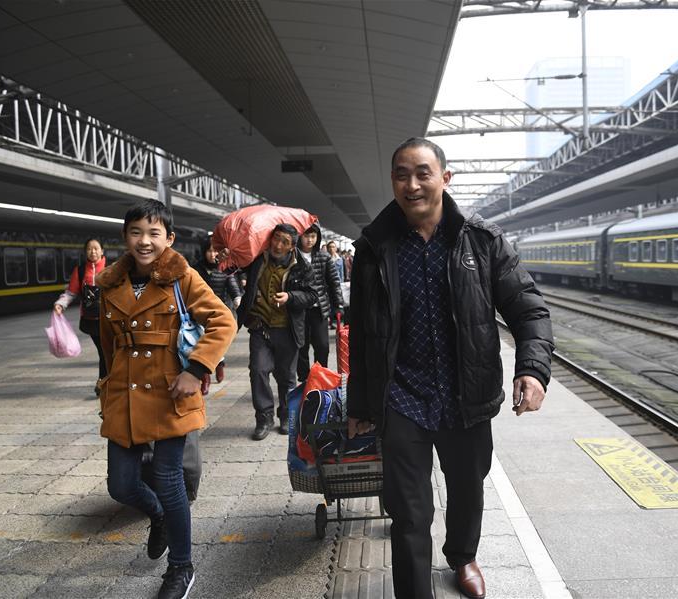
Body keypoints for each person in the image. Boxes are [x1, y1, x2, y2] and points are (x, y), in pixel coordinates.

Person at [346, 138, 554, 599]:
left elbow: (529, 310)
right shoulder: (374, 248)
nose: (412, 185)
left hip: (466, 395)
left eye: (423, 173)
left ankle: (462, 555)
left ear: (445, 177)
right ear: (392, 181)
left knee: (467, 488)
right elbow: (361, 332)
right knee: (409, 511)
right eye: (402, 175)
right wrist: (359, 404)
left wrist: (533, 369)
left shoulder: (481, 240)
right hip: (402, 397)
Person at [96, 199, 236, 599]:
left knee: (168, 477)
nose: (145, 241)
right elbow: (108, 346)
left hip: (170, 393)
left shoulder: (182, 277)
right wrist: (105, 388)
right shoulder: (111, 285)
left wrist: (196, 369)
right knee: (121, 485)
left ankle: (181, 567)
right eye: (136, 232)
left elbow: (223, 321)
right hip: (124, 396)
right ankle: (157, 515)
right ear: (125, 237)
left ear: (169, 238)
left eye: (154, 233)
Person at [237, 223, 317, 440]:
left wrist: (290, 297)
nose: (278, 245)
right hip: (260, 327)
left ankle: (286, 416)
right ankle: (264, 418)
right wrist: (227, 256)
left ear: (292, 247)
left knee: (287, 377)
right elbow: (233, 266)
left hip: (287, 330)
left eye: (284, 242)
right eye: (276, 238)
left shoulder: (302, 267)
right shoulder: (257, 259)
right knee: (258, 371)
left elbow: (312, 296)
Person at [54, 237, 107, 395]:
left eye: (96, 248)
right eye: (89, 249)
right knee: (104, 350)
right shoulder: (81, 271)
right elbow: (71, 292)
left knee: (105, 350)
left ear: (102, 251)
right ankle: (105, 381)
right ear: (85, 252)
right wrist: (61, 304)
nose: (93, 251)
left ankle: (103, 381)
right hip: (90, 319)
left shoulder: (110, 269)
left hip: (109, 318)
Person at [296, 223, 344, 382]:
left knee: (322, 346)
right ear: (300, 236)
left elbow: (334, 283)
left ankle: (320, 378)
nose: (309, 240)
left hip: (319, 309)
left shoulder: (324, 257)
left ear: (318, 238)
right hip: (299, 310)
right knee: (301, 347)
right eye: (306, 236)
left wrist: (338, 306)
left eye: (313, 236)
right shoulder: (293, 256)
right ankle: (304, 380)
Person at [193, 238, 242, 392]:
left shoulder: (224, 267)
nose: (212, 254)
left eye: (215, 251)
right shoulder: (195, 269)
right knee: (201, 343)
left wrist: (237, 298)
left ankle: (219, 363)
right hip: (200, 312)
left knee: (216, 341)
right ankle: (205, 377)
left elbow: (232, 284)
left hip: (219, 312)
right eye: (209, 251)